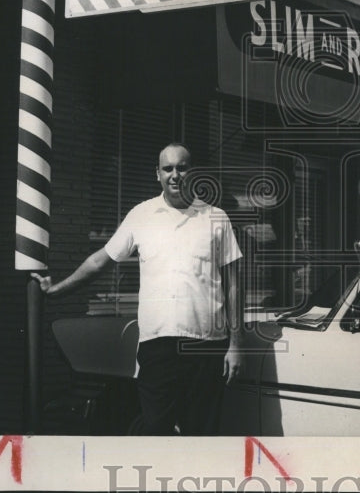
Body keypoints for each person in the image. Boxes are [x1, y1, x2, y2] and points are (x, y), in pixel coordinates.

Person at [32, 142, 243, 435]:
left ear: (192, 172)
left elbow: (233, 284)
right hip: (158, 346)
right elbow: (99, 261)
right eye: (167, 168)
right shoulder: (141, 215)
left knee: (203, 435)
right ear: (157, 174)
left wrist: (235, 345)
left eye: (182, 167)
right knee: (155, 431)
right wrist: (57, 289)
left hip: (207, 346)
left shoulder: (216, 218)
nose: (175, 175)